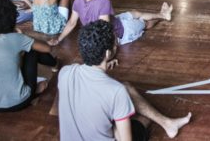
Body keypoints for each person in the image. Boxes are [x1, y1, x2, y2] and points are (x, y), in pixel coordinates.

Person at [58, 20, 192, 140]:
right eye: (115, 42)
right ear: (108, 54)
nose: (117, 44)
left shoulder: (65, 73)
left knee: (126, 88)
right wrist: (116, 125)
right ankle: (167, 124)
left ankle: (168, 124)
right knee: (143, 118)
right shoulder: (116, 92)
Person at [0, 0, 57, 112]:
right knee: (32, 50)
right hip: (19, 101)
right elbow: (47, 48)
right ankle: (55, 65)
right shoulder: (18, 38)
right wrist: (25, 36)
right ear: (14, 19)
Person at [54, 0, 172, 45]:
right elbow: (106, 30)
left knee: (136, 12)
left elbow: (71, 23)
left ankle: (162, 14)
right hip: (122, 32)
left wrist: (59, 39)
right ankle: (163, 17)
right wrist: (111, 53)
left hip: (116, 21)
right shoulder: (104, 3)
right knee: (144, 23)